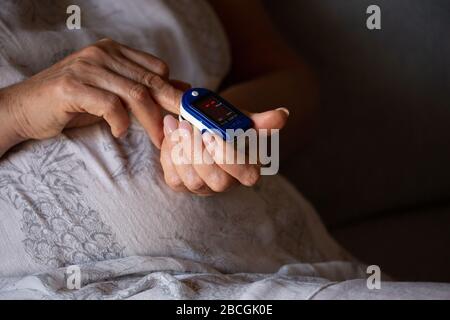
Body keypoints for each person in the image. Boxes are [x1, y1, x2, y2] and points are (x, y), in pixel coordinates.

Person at [0, 0, 340, 278]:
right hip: (61, 282)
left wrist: (229, 128)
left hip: (269, 263)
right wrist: (16, 110)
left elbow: (286, 77)